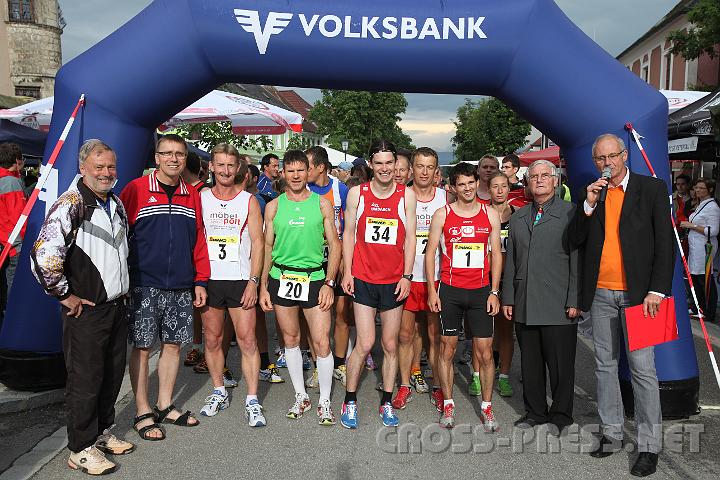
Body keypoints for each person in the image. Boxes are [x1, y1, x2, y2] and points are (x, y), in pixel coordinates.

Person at [31, 139, 134, 475]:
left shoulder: (114, 203)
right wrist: (64, 295)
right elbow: (44, 255)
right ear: (83, 168)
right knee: (85, 379)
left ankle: (101, 433)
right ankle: (80, 448)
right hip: (86, 310)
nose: (106, 173)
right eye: (99, 167)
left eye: (110, 167)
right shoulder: (71, 203)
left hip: (115, 307)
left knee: (110, 375)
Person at [574, 133, 674, 477]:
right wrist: (587, 205)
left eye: (612, 157)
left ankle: (649, 446)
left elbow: (665, 244)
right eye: (600, 159)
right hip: (601, 293)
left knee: (643, 370)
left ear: (624, 156)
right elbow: (574, 239)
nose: (607, 164)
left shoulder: (652, 189)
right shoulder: (594, 193)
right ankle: (612, 433)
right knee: (604, 365)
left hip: (640, 295)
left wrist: (657, 291)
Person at [120, 134, 209, 440]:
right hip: (144, 283)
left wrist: (200, 280)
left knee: (173, 346)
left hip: (181, 284)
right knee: (144, 348)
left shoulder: (191, 194)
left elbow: (199, 238)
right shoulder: (136, 189)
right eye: (167, 153)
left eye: (179, 154)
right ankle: (142, 411)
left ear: (186, 159)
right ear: (156, 157)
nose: (173, 158)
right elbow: (121, 237)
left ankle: (165, 404)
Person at [259, 150, 341, 425]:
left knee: (321, 342)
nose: (295, 176)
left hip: (315, 277)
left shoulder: (322, 205)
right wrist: (262, 287)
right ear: (283, 173)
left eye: (300, 170)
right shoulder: (273, 206)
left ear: (308, 172)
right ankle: (300, 395)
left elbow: (335, 246)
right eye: (289, 170)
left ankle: (325, 400)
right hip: (281, 278)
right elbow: (268, 248)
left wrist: (330, 283)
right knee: (291, 340)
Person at [341, 139, 417, 429]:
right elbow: (347, 234)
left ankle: (386, 402)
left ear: (396, 165)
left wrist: (407, 275)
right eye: (379, 163)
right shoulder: (356, 194)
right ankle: (349, 401)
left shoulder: (405, 195)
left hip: (393, 279)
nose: (385, 169)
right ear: (370, 164)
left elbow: (410, 238)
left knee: (389, 344)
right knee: (365, 342)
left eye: (390, 163)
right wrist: (347, 272)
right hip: (362, 277)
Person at [502, 160, 579, 433]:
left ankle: (560, 415)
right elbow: (511, 260)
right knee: (531, 364)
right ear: (527, 182)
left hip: (558, 302)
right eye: (534, 176)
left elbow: (578, 261)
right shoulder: (519, 217)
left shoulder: (571, 214)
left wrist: (575, 300)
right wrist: (508, 298)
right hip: (524, 301)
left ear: (556, 180)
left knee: (560, 366)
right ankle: (535, 411)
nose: (540, 180)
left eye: (545, 175)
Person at [425, 162, 502, 430]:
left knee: (485, 353)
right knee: (447, 348)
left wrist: (494, 291)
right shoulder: (442, 214)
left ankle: (487, 407)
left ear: (476, 183)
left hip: (481, 291)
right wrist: (432, 291)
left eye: (471, 183)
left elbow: (496, 255)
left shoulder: (490, 213)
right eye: (462, 184)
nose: (468, 188)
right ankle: (448, 405)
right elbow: (430, 252)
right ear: (453, 187)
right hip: (451, 290)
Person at [197, 144, 267, 426]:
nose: (226, 171)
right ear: (211, 166)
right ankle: (218, 390)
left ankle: (252, 399)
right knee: (212, 339)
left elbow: (260, 243)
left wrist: (254, 281)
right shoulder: (201, 197)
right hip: (211, 279)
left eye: (231, 165)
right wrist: (197, 280)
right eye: (220, 165)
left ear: (238, 168)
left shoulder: (248, 200)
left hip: (240, 280)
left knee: (248, 340)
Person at [392, 148, 445, 412]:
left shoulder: (446, 199)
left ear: (436, 171)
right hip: (407, 277)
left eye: (430, 167)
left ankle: (437, 386)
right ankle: (403, 385)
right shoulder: (401, 196)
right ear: (411, 169)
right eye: (420, 166)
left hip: (436, 279)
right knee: (404, 334)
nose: (424, 172)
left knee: (435, 336)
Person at [306, 146, 353, 387]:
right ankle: (317, 365)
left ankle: (341, 363)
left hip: (338, 256)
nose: (303, 171)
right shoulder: (302, 190)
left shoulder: (340, 189)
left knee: (342, 313)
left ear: (321, 167)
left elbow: (348, 226)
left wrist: (346, 257)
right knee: (314, 315)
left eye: (308, 166)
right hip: (313, 260)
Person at [488, 171, 516, 398]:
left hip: (508, 279)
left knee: (506, 330)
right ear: (488, 190)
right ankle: (479, 374)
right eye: (494, 186)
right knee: (482, 331)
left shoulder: (518, 215)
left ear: (509, 188)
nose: (499, 190)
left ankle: (504, 376)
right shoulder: (481, 214)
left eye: (503, 186)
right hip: (484, 278)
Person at [183, 151, 209, 369]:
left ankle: (209, 352)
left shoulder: (203, 192)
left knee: (207, 308)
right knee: (196, 306)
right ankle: (198, 346)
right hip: (190, 256)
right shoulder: (185, 191)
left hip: (206, 256)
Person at [680, 178, 719, 323]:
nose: (697, 190)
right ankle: (700, 308)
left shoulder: (712, 207)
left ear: (709, 190)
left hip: (704, 248)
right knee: (696, 278)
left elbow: (713, 230)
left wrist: (692, 226)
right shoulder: (701, 204)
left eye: (701, 188)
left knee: (705, 279)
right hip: (696, 247)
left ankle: (709, 312)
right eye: (696, 188)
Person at [0, 142, 26, 326]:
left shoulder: (5, 179)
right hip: (12, 245)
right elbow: (17, 218)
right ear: (17, 161)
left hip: (5, 243)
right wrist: (18, 247)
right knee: (14, 289)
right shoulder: (11, 182)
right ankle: (13, 326)